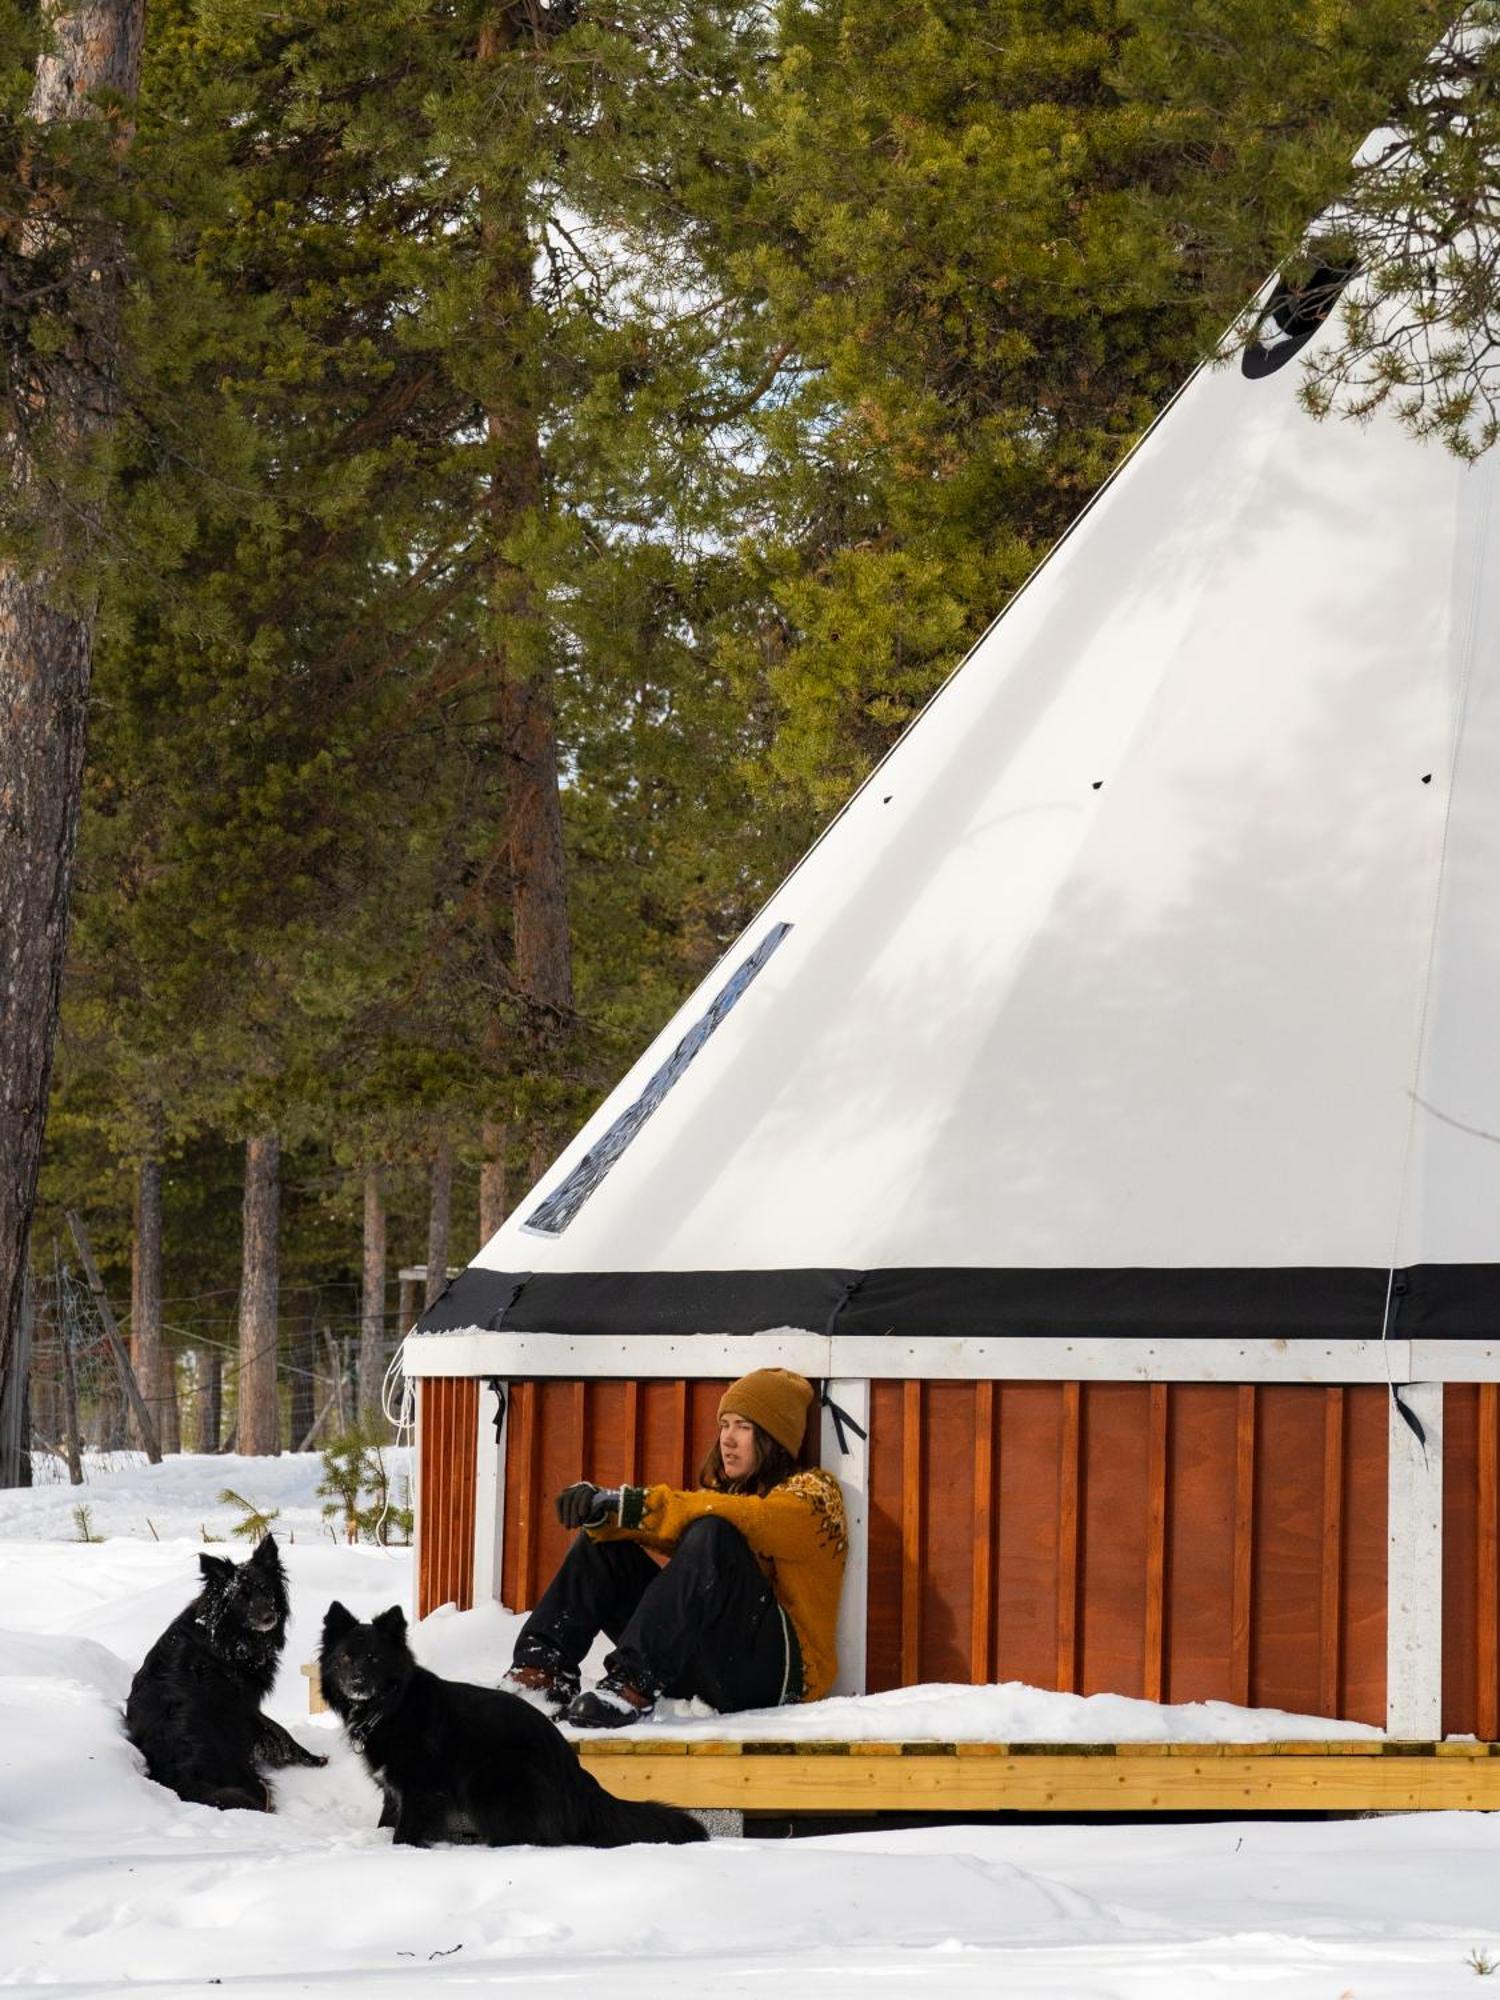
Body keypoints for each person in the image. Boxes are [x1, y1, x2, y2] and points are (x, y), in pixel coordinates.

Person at [504, 1368, 848, 1728]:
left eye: (743, 1427)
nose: (727, 1440)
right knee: (604, 1544)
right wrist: (604, 1513)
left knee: (714, 1529)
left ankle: (632, 1684)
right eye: (724, 1425)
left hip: (777, 1680)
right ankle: (541, 1677)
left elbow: (755, 1519)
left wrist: (634, 1504)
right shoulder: (724, 1497)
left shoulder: (816, 1496)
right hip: (708, 1666)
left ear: (775, 1437)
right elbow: (674, 1531)